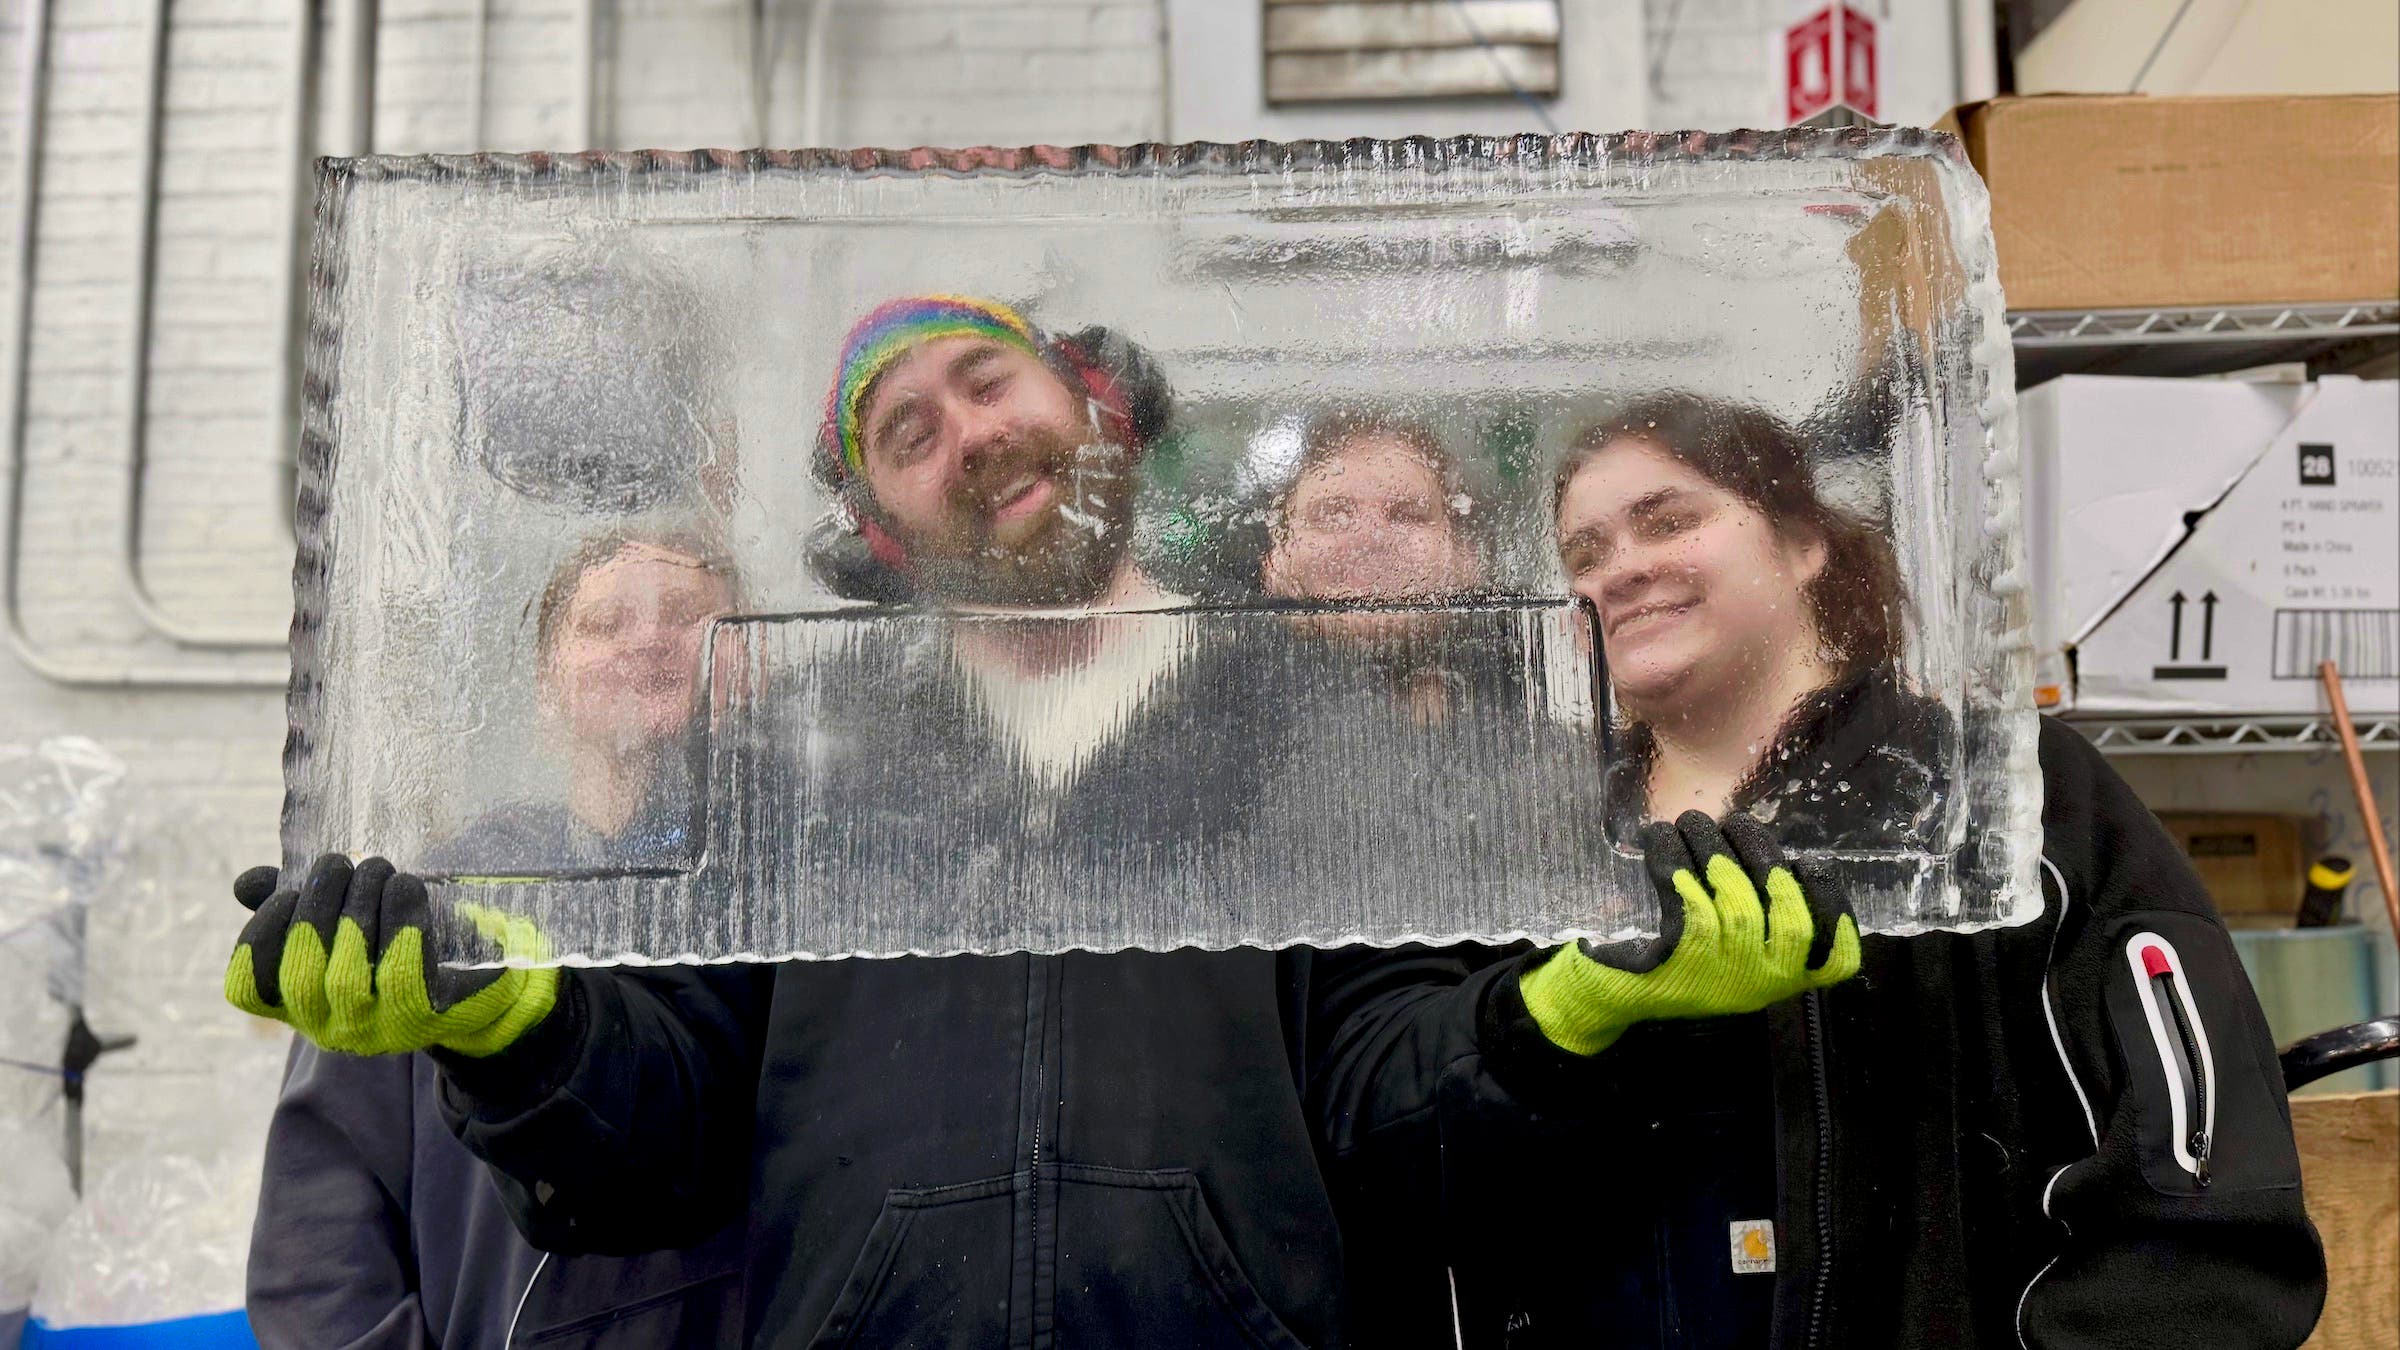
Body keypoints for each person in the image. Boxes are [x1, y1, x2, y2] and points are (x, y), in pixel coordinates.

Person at [1333, 391, 2327, 1347]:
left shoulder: (1992, 792)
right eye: (1585, 553)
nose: (1621, 569)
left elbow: (2201, 1189)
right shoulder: (1533, 833)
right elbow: (1402, 1159)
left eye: (1668, 520)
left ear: (1803, 543)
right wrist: (1541, 1024)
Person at [244, 532, 747, 1349]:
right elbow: (318, 1248)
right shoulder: (440, 900)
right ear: (548, 690)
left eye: (690, 615)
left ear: (754, 664)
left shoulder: (807, 913)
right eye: (606, 622)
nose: (649, 640)